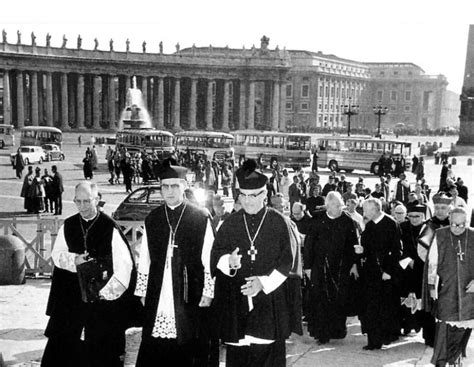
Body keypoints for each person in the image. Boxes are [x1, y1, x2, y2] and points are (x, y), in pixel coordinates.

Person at [210, 158, 295, 367]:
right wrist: (228, 262)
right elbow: (215, 255)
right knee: (237, 359)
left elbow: (287, 263)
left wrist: (262, 283)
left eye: (253, 196)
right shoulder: (230, 223)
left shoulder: (279, 223)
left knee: (266, 358)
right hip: (236, 305)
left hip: (268, 304)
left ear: (265, 194)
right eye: (244, 196)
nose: (247, 201)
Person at [41, 181, 135, 367]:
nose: (82, 206)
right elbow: (57, 255)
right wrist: (74, 260)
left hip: (103, 299)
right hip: (72, 298)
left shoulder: (110, 227)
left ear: (97, 200)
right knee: (64, 348)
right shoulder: (68, 225)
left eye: (87, 201)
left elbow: (125, 266)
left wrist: (105, 294)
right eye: (78, 201)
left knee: (102, 351)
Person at [134, 159, 216, 366]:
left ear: (184, 186)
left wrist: (208, 291)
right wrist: (143, 290)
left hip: (190, 290)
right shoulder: (153, 218)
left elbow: (209, 257)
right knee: (157, 345)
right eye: (165, 186)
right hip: (159, 288)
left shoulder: (199, 216)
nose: (169, 191)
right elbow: (145, 258)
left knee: (189, 342)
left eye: (174, 186)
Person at [303, 191, 359, 345]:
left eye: (340, 204)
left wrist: (354, 264)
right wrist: (307, 267)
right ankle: (321, 334)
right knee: (320, 300)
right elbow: (308, 245)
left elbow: (352, 243)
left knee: (338, 300)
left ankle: (336, 330)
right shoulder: (317, 220)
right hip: (319, 267)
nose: (339, 208)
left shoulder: (347, 221)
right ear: (327, 206)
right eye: (335, 205)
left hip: (340, 267)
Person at [426, 207, 474, 366]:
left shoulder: (473, 235)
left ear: (466, 223)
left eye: (461, 225)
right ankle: (440, 361)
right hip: (446, 288)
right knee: (444, 327)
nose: (457, 228)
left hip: (469, 290)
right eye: (454, 224)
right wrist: (432, 288)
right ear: (449, 221)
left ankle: (455, 357)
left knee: (464, 327)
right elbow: (432, 263)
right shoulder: (440, 235)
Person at [359, 197, 401, 350]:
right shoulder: (369, 225)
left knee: (385, 307)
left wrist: (389, 271)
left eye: (366, 210)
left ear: (374, 210)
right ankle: (373, 341)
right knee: (371, 307)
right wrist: (361, 251)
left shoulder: (391, 224)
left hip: (385, 273)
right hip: (370, 273)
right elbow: (366, 247)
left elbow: (397, 250)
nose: (363, 213)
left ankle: (386, 337)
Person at [418, 192, 452, 348]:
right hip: (433, 272)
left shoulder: (455, 225)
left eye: (443, 208)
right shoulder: (429, 226)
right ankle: (431, 337)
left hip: (451, 273)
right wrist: (433, 264)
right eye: (437, 208)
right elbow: (421, 249)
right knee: (432, 303)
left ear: (449, 208)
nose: (439, 211)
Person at [399, 204, 426, 335]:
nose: (414, 219)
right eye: (411, 216)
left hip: (422, 268)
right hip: (406, 267)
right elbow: (397, 247)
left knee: (420, 296)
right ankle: (407, 325)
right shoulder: (402, 227)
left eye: (417, 216)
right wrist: (407, 260)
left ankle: (418, 325)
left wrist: (420, 262)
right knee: (405, 296)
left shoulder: (428, 229)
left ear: (423, 216)